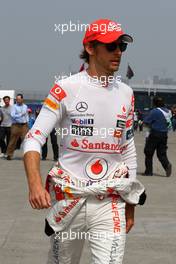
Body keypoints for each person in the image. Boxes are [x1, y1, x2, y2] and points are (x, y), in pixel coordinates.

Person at [23, 19, 146, 264]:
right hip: (69, 198)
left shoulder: (126, 93)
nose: (118, 52)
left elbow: (128, 150)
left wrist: (130, 203)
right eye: (111, 46)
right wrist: (35, 185)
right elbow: (33, 139)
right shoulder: (65, 89)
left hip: (110, 200)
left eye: (122, 46)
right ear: (90, 48)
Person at [143, 96, 172, 177]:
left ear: (155, 103)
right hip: (164, 134)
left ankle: (148, 172)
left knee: (148, 152)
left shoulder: (154, 111)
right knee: (161, 153)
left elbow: (146, 121)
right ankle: (167, 165)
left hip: (155, 134)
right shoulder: (168, 111)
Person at [6, 93, 29, 160]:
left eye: (19, 99)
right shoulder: (14, 106)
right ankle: (9, 155)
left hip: (24, 125)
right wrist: (20, 114)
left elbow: (26, 115)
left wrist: (27, 123)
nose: (18, 100)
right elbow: (13, 115)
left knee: (26, 140)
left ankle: (26, 155)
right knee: (13, 140)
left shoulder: (25, 106)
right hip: (15, 125)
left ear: (22, 99)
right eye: (17, 99)